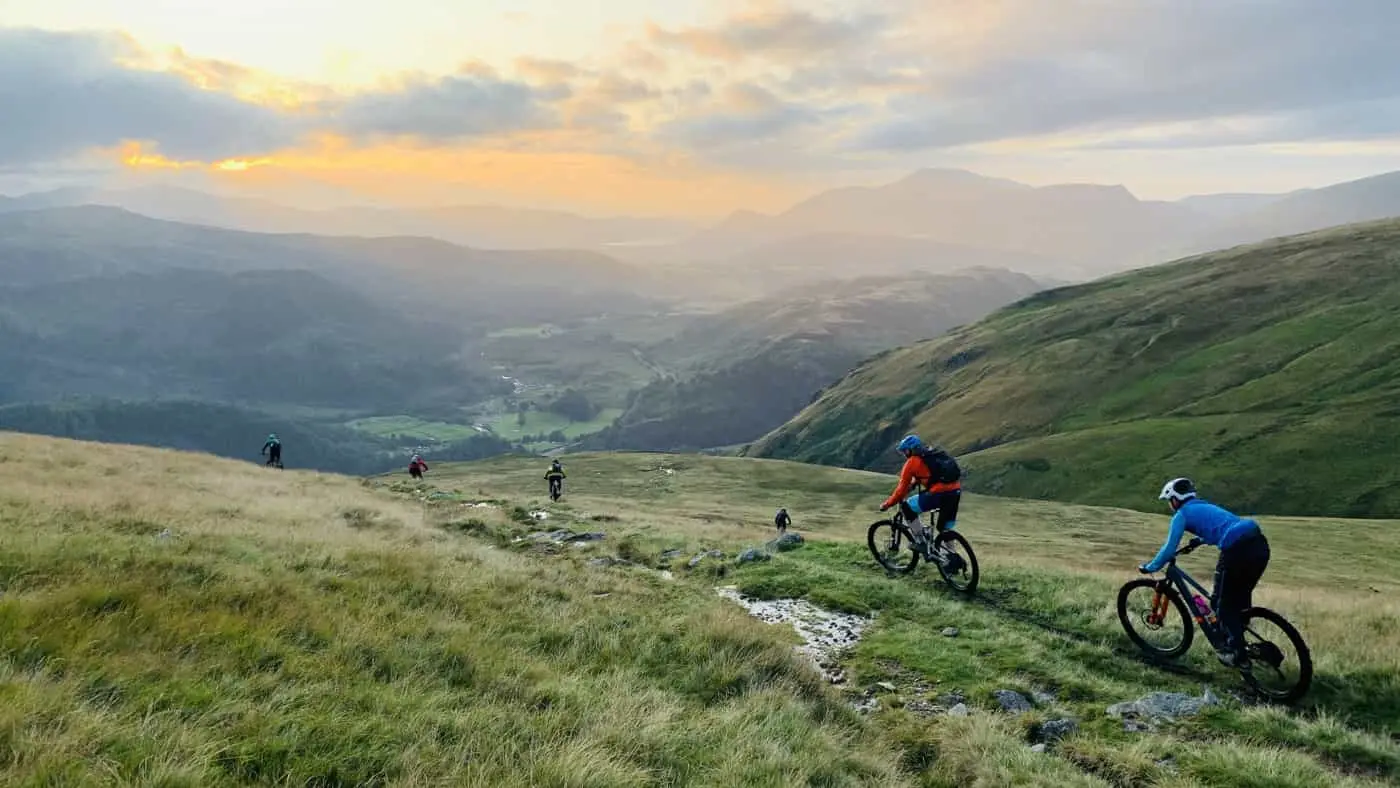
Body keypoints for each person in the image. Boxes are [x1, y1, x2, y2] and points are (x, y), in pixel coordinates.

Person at [1140, 477, 1270, 667]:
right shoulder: (1203, 505)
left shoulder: (1182, 514)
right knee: (1237, 599)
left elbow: (1169, 548)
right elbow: (1220, 526)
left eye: (1169, 501)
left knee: (1222, 605)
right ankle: (1239, 636)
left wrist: (1151, 566)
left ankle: (1238, 655)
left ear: (1175, 500)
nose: (1170, 505)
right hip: (1259, 545)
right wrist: (1198, 541)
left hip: (1236, 550)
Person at [880, 434, 962, 556]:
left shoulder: (911, 462)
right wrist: (915, 482)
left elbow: (900, 490)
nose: (904, 454)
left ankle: (920, 541)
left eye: (905, 451)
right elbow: (932, 473)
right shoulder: (932, 453)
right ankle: (952, 560)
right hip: (955, 492)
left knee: (906, 507)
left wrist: (888, 504)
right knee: (944, 528)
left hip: (938, 494)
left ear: (911, 450)